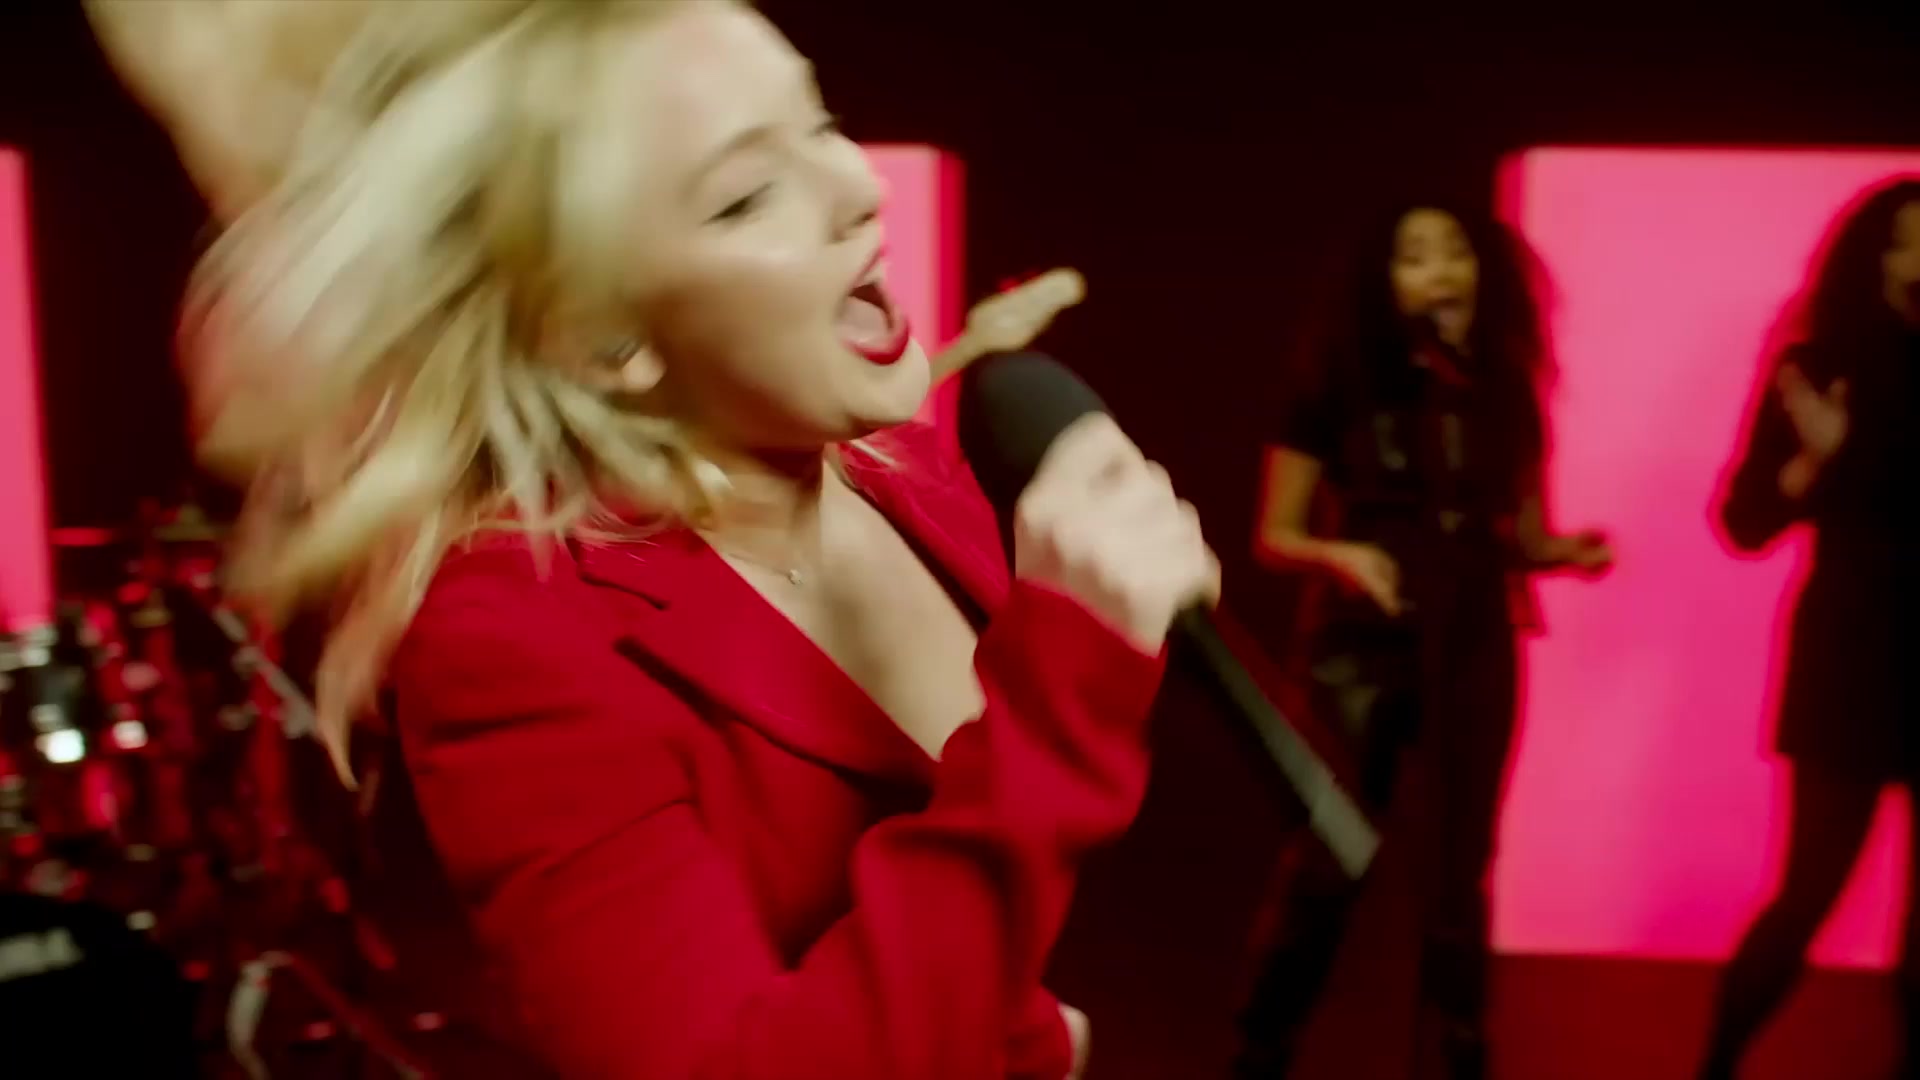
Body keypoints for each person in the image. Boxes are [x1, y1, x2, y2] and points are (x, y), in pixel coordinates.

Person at [86, 2, 1220, 1078]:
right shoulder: (513, 642)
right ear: (605, 339)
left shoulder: (910, 471)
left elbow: (958, 928)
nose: (855, 190)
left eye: (820, 120)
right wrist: (1064, 693)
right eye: (747, 197)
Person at [1237, 202, 1611, 1079]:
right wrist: (1340, 555)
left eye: (1455, 253)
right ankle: (1260, 1048)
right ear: (1385, 283)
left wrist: (1565, 553)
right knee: (1330, 857)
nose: (1441, 271)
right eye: (1415, 257)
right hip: (1359, 644)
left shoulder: (1505, 392)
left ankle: (1461, 1045)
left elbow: (1524, 533)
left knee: (1460, 866)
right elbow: (1273, 535)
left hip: (1473, 635)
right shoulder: (1336, 385)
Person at [1698, 176, 1920, 1080]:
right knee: (1808, 892)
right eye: (1913, 238)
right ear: (1880, 259)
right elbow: (1743, 521)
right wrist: (1814, 463)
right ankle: (1717, 1064)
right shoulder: (1821, 365)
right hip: (1853, 659)